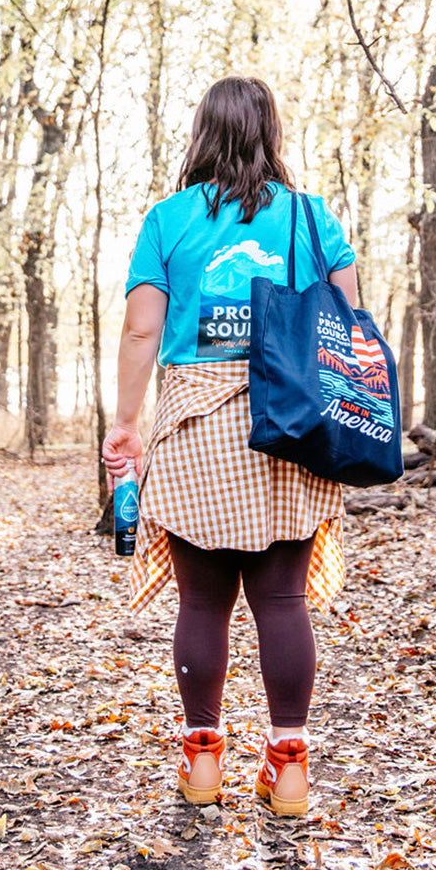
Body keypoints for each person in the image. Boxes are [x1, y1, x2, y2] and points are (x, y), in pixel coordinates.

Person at [101, 77, 357, 816]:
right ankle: (290, 770)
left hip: (193, 423)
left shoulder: (169, 221)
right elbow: (350, 319)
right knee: (281, 598)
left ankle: (203, 762)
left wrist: (125, 423)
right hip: (291, 420)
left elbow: (142, 330)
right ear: (270, 132)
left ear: (202, 134)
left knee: (202, 603)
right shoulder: (311, 219)